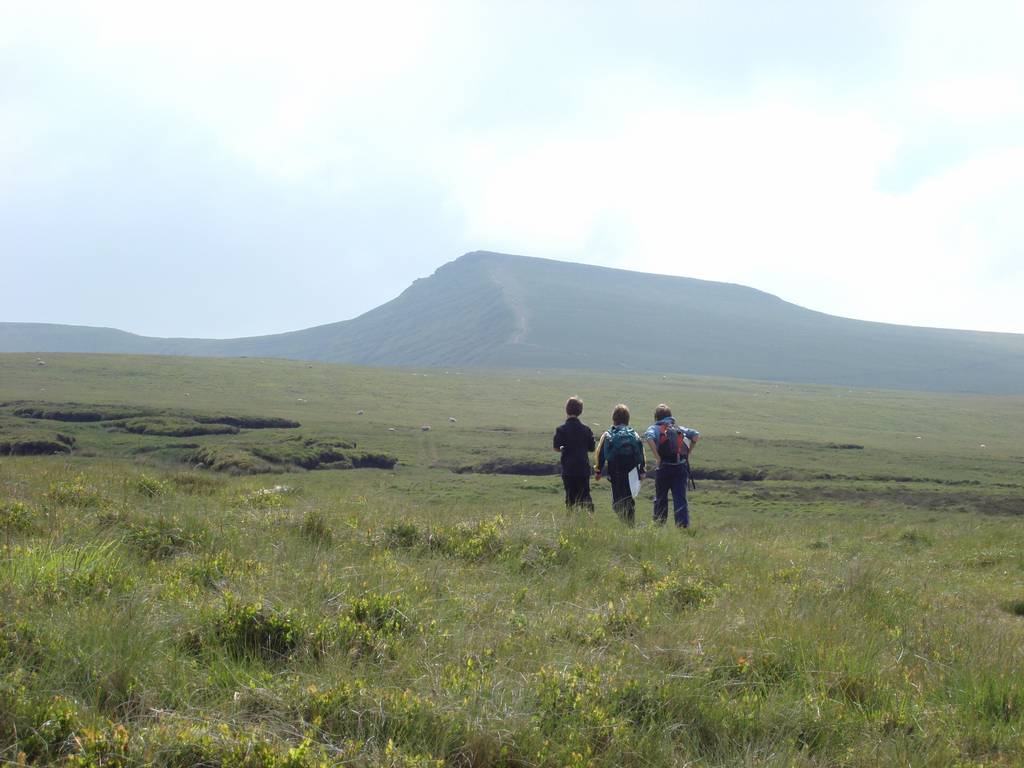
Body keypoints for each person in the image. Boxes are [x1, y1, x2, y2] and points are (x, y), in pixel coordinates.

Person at [643, 404, 700, 528]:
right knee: (680, 499)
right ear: (670, 416)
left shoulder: (656, 428)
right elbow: (695, 435)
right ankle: (682, 527)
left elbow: (648, 436)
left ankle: (658, 525)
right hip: (680, 468)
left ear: (656, 417)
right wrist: (687, 454)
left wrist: (657, 457)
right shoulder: (678, 428)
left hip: (664, 467)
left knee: (661, 498)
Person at [594, 404, 646, 525]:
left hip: (615, 471)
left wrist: (598, 470)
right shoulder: (634, 434)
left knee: (617, 501)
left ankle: (626, 525)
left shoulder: (608, 434)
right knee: (629, 499)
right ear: (627, 419)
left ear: (614, 418)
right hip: (631, 472)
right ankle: (630, 525)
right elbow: (640, 452)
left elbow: (600, 453)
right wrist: (642, 470)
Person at [552, 396, 596, 512]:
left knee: (570, 498)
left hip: (568, 468)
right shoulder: (586, 430)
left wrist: (564, 449)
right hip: (583, 468)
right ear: (580, 411)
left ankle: (571, 523)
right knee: (585, 496)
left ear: (567, 410)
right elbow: (592, 448)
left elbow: (556, 447)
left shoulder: (561, 429)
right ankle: (590, 520)